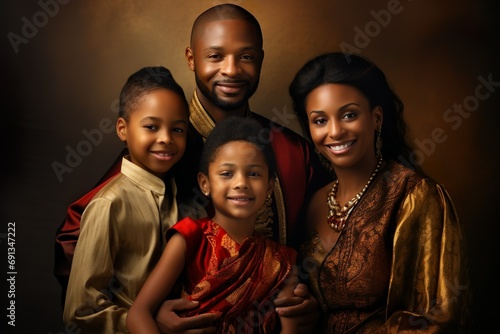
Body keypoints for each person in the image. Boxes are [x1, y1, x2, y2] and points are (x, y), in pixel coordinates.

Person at [55, 4, 330, 332]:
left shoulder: (291, 149)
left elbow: (325, 239)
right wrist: (144, 317)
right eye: (215, 56)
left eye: (246, 57)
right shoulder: (165, 144)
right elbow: (80, 234)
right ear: (191, 58)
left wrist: (307, 301)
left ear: (260, 59)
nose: (231, 70)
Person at [288, 51, 472, 333]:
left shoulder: (415, 196)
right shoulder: (314, 201)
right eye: (320, 120)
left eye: (349, 115)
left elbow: (440, 318)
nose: (335, 131)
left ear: (376, 117)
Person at [127, 117, 300, 334]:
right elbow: (138, 314)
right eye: (227, 173)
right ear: (205, 184)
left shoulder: (282, 261)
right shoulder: (189, 238)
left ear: (269, 186)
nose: (241, 183)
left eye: (254, 174)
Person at [62, 66, 191, 333]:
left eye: (178, 130)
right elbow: (80, 311)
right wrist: (144, 323)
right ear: (123, 129)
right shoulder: (109, 204)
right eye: (152, 127)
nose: (166, 139)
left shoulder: (184, 194)